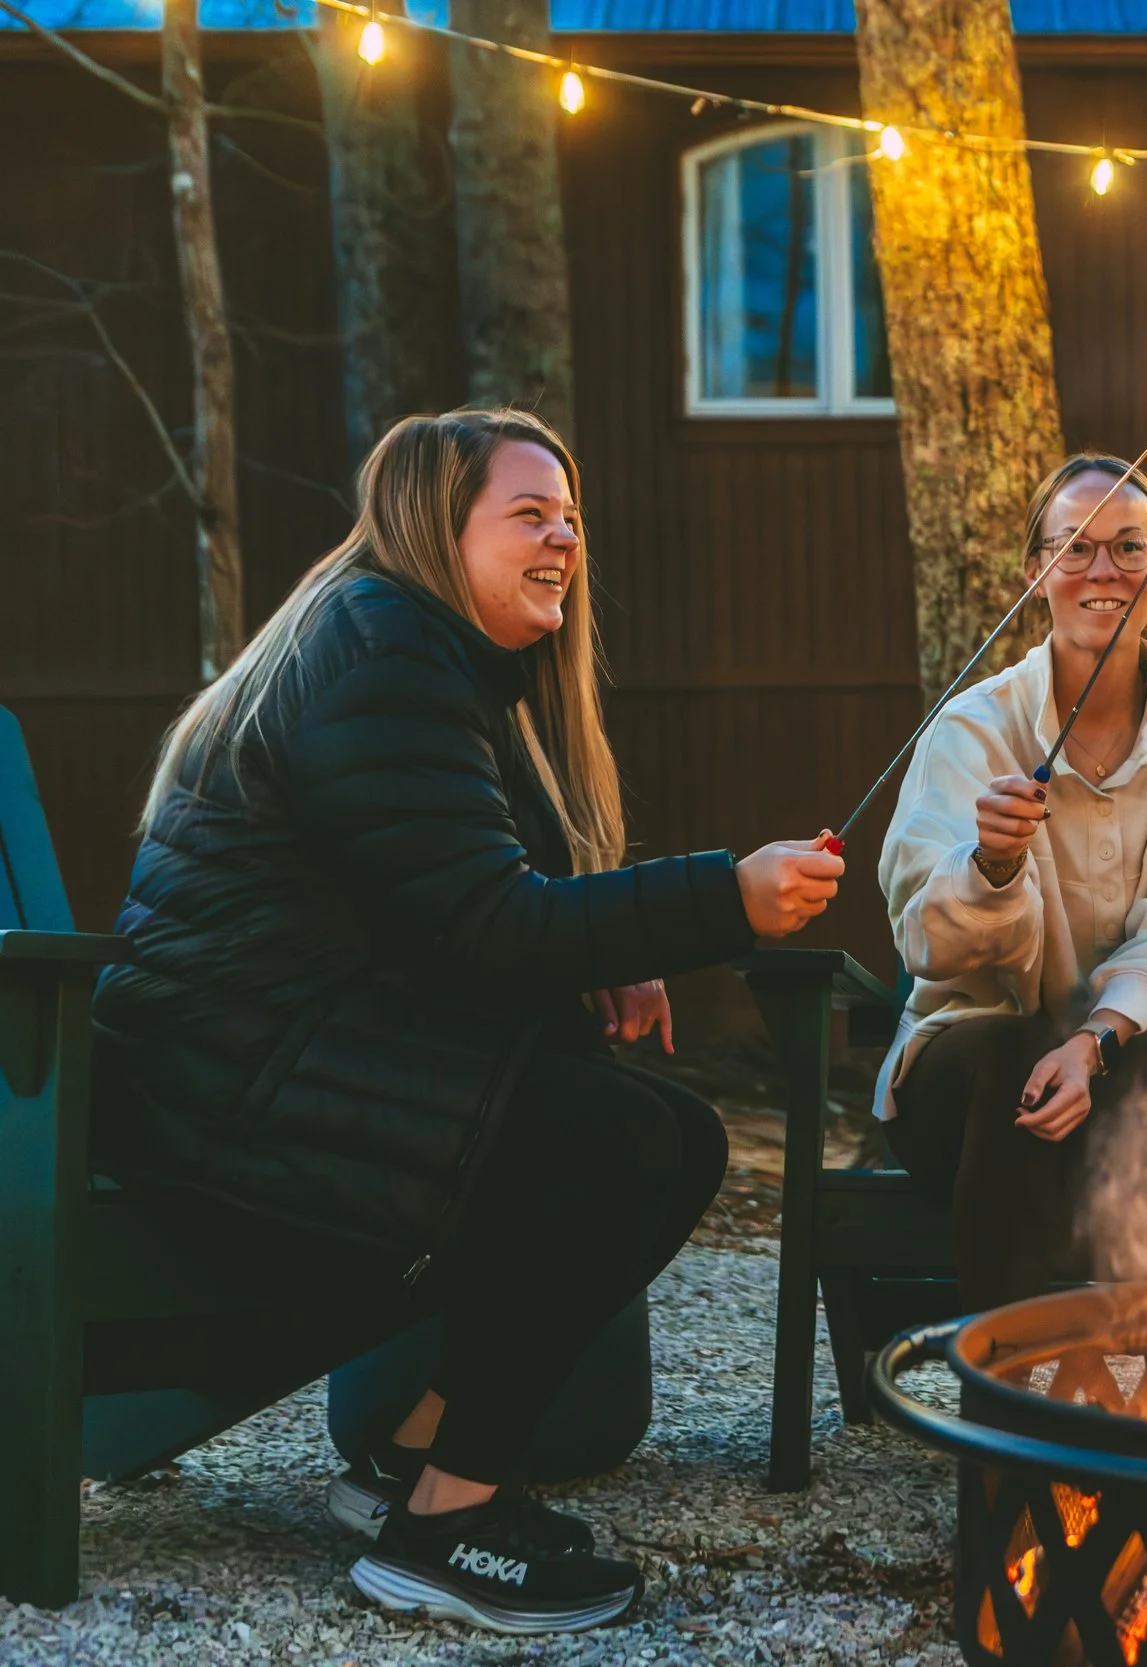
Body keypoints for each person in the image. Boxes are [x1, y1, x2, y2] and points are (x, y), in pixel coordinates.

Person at [91, 410, 846, 1635]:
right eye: (528, 514)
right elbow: (486, 922)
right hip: (228, 1087)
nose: (564, 539)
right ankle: (444, 1529)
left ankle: (412, 1464)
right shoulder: (384, 649)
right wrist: (724, 898)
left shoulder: (404, 647)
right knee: (630, 1141)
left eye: (572, 517)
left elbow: (430, 914)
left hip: (262, 1055)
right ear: (437, 530)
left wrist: (606, 955)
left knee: (662, 1122)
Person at [876, 453, 1147, 1312]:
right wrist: (990, 866)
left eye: (1130, 549)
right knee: (1013, 1052)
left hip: (1127, 1076)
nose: (1104, 571)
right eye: (1076, 549)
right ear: (1036, 572)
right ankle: (1008, 1408)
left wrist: (1094, 1041)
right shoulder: (970, 729)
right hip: (967, 1086)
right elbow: (923, 935)